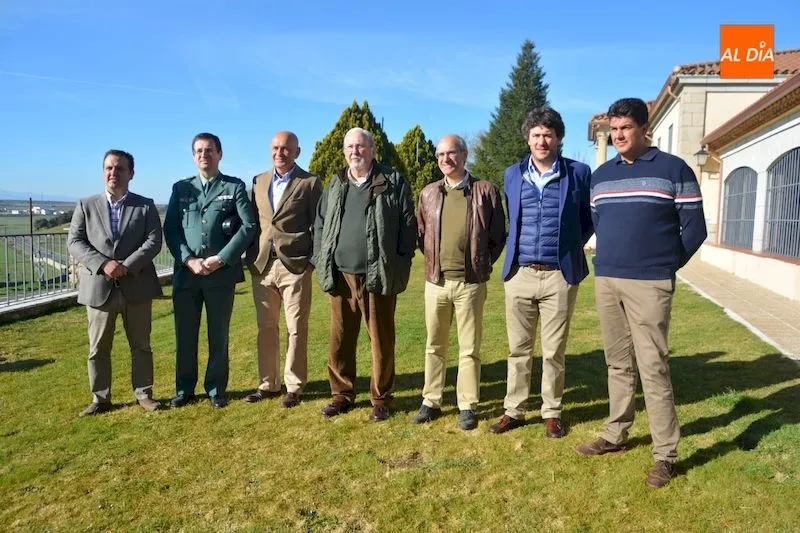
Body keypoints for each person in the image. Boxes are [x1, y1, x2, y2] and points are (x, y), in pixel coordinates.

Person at [575, 97, 707, 489]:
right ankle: (615, 434)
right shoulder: (602, 176)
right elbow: (600, 222)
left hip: (650, 283)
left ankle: (665, 454)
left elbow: (695, 229)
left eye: (626, 128)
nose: (618, 135)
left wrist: (665, 266)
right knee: (617, 362)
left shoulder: (673, 169)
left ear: (644, 129)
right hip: (608, 280)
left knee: (653, 366)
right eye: (614, 129)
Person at [489, 106, 594, 437]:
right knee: (518, 349)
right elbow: (513, 217)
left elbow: (587, 220)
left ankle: (551, 412)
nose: (542, 141)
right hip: (520, 273)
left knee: (553, 351)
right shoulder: (512, 174)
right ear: (528, 138)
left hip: (559, 276)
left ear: (558, 138)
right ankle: (514, 410)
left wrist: (569, 247)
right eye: (536, 135)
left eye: (548, 134)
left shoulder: (578, 173)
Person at [313, 127, 416, 421]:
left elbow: (408, 225)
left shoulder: (392, 181)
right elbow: (320, 224)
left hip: (378, 274)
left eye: (360, 146)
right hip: (341, 277)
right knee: (340, 339)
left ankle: (381, 398)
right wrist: (321, 259)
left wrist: (399, 263)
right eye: (349, 147)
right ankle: (341, 394)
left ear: (372, 150)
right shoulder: (336, 184)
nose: (354, 151)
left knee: (381, 339)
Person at [411, 134, 505, 430]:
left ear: (464, 155)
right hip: (436, 284)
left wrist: (481, 263)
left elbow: (497, 235)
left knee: (469, 348)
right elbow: (421, 234)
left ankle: (467, 405)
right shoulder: (428, 193)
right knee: (434, 345)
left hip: (470, 284)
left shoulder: (485, 191)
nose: (445, 159)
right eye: (440, 155)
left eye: (451, 153)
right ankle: (431, 400)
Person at [164, 132, 256, 409]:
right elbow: (171, 230)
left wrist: (222, 258)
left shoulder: (234, 187)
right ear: (193, 156)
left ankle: (216, 389)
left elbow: (248, 226)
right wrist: (188, 260)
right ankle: (184, 389)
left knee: (219, 335)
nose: (204, 155)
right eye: (199, 151)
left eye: (209, 150)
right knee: (185, 335)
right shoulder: (181, 188)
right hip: (187, 275)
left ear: (220, 154)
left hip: (220, 275)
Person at [68, 149, 163, 416]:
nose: (113, 173)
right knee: (98, 348)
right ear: (103, 172)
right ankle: (100, 398)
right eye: (109, 168)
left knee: (141, 346)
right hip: (99, 288)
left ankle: (144, 394)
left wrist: (126, 266)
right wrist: (104, 264)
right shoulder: (86, 205)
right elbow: (75, 242)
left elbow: (154, 241)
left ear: (131, 173)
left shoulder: (145, 206)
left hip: (137, 286)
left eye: (120, 168)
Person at [243, 131, 321, 408]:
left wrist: (312, 261)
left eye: (286, 148)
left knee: (296, 327)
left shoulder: (310, 183)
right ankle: (268, 384)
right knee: (265, 327)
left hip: (295, 265)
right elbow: (253, 222)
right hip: (263, 265)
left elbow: (319, 225)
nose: (280, 153)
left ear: (297, 152)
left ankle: (294, 387)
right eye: (275, 148)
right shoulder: (258, 181)